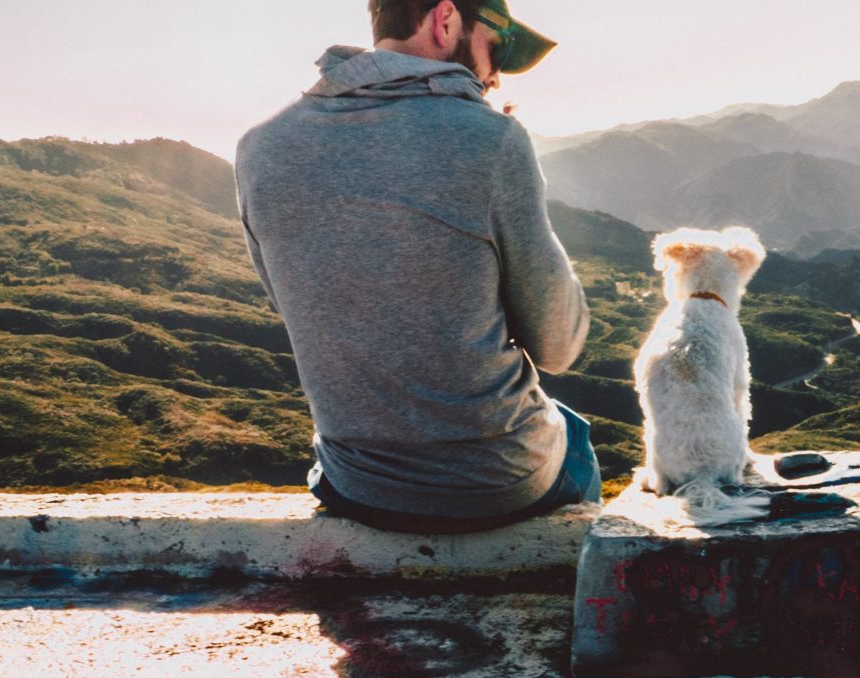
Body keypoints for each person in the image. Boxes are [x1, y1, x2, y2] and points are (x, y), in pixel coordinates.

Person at [234, 0, 596, 533]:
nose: (495, 75)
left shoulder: (259, 145)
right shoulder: (490, 138)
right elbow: (558, 347)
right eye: (495, 50)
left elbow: (296, 302)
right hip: (492, 479)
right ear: (444, 20)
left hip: (356, 482)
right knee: (575, 435)